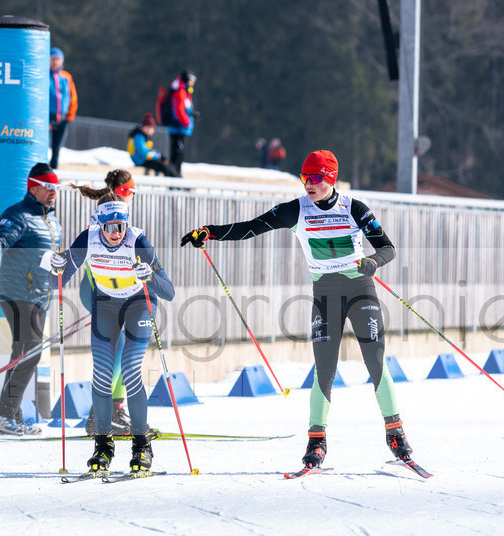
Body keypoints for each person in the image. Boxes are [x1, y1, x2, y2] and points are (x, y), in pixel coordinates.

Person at [179, 150, 417, 473]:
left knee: (375, 361)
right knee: (324, 369)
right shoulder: (297, 210)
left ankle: (395, 432)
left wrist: (373, 261)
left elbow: (387, 247)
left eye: (315, 178)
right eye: (304, 178)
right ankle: (316, 440)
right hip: (326, 295)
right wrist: (210, 231)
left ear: (330, 178)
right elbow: (253, 227)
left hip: (361, 290)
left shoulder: (354, 209)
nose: (308, 184)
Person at [50, 196, 175, 474]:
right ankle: (103, 444)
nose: (116, 233)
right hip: (106, 304)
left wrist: (150, 277)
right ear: (100, 226)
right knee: (102, 374)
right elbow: (56, 280)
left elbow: (169, 292)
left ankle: (141, 445)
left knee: (130, 371)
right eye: (109, 227)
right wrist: (55, 267)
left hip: (139, 304)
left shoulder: (139, 242)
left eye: (121, 226)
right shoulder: (88, 239)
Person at [0, 163, 63, 435]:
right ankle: (5, 412)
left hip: (40, 295)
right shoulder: (19, 215)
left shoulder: (53, 222)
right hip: (17, 292)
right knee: (32, 350)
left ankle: (10, 417)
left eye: (55, 188)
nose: (53, 193)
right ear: (33, 187)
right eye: (47, 187)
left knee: (21, 353)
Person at [70, 170, 141, 435]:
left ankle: (115, 410)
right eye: (131, 192)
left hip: (114, 289)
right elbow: (92, 262)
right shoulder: (103, 219)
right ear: (123, 192)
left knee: (125, 348)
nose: (133, 198)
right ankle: (98, 414)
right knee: (118, 348)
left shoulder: (117, 215)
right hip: (98, 288)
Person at [48, 47, 77, 169]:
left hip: (63, 117)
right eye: (52, 59)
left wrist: (70, 115)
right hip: (48, 116)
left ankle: (54, 171)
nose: (55, 62)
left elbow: (72, 96)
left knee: (57, 149)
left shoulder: (66, 77)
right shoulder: (44, 75)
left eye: (57, 59)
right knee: (44, 147)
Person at [166, 70, 196, 176]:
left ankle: (175, 176)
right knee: (177, 154)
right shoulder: (180, 92)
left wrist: (191, 113)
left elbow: (184, 108)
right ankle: (174, 177)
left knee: (178, 154)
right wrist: (187, 122)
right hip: (178, 128)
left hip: (180, 128)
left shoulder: (184, 91)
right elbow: (179, 111)